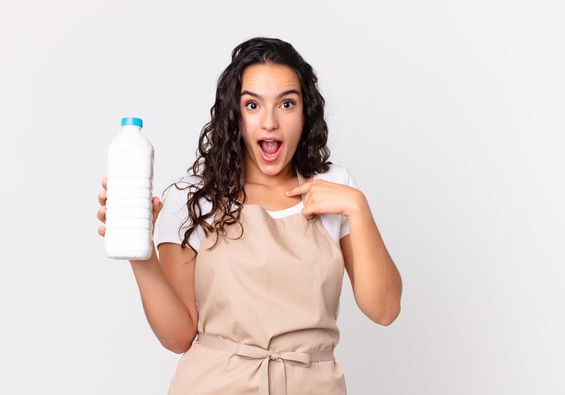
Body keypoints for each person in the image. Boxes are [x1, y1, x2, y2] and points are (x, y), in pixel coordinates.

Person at [97, 37, 402, 395]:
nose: (270, 122)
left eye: (286, 103)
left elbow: (384, 309)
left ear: (306, 113)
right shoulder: (192, 199)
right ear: (234, 114)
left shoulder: (335, 189)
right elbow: (179, 336)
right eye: (253, 105)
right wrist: (140, 253)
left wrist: (358, 207)